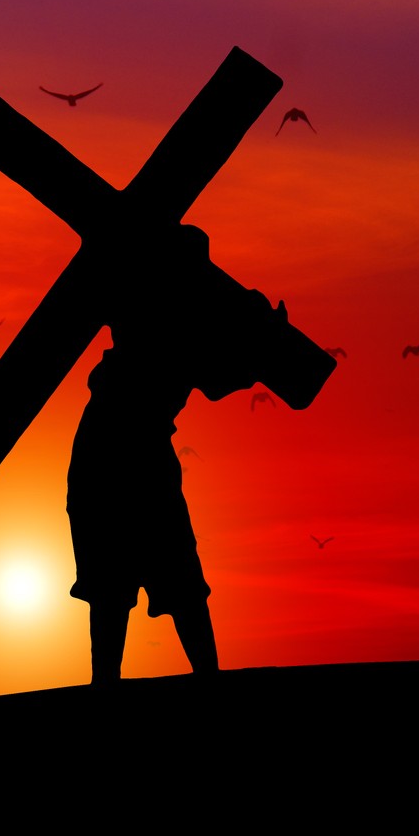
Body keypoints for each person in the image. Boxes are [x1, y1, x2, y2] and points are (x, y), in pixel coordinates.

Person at [66, 225, 254, 684]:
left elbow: (223, 374)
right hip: (114, 458)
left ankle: (198, 675)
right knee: (122, 581)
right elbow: (225, 373)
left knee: (169, 575)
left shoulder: (181, 326)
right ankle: (118, 681)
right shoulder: (154, 313)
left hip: (121, 456)